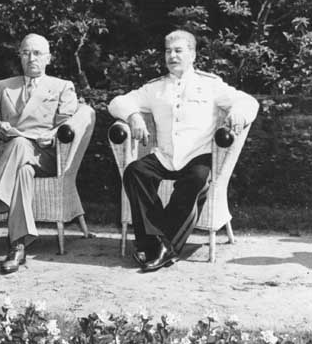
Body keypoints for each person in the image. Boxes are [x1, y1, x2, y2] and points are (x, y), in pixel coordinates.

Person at [108, 30, 259, 272]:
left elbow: (248, 101)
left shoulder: (209, 84)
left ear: (192, 54)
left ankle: (163, 247)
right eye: (168, 51)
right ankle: (157, 242)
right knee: (135, 172)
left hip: (197, 155)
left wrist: (236, 114)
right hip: (165, 157)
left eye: (178, 50)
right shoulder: (154, 88)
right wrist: (133, 116)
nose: (172, 55)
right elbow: (116, 102)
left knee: (198, 179)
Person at [0, 33, 78, 274]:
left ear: (49, 58)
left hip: (45, 155)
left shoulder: (62, 87)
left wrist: (53, 134)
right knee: (22, 164)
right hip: (11, 152)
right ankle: (18, 246)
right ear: (19, 56)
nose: (31, 58)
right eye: (26, 52)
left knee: (22, 147)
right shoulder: (4, 86)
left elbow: (70, 121)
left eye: (37, 53)